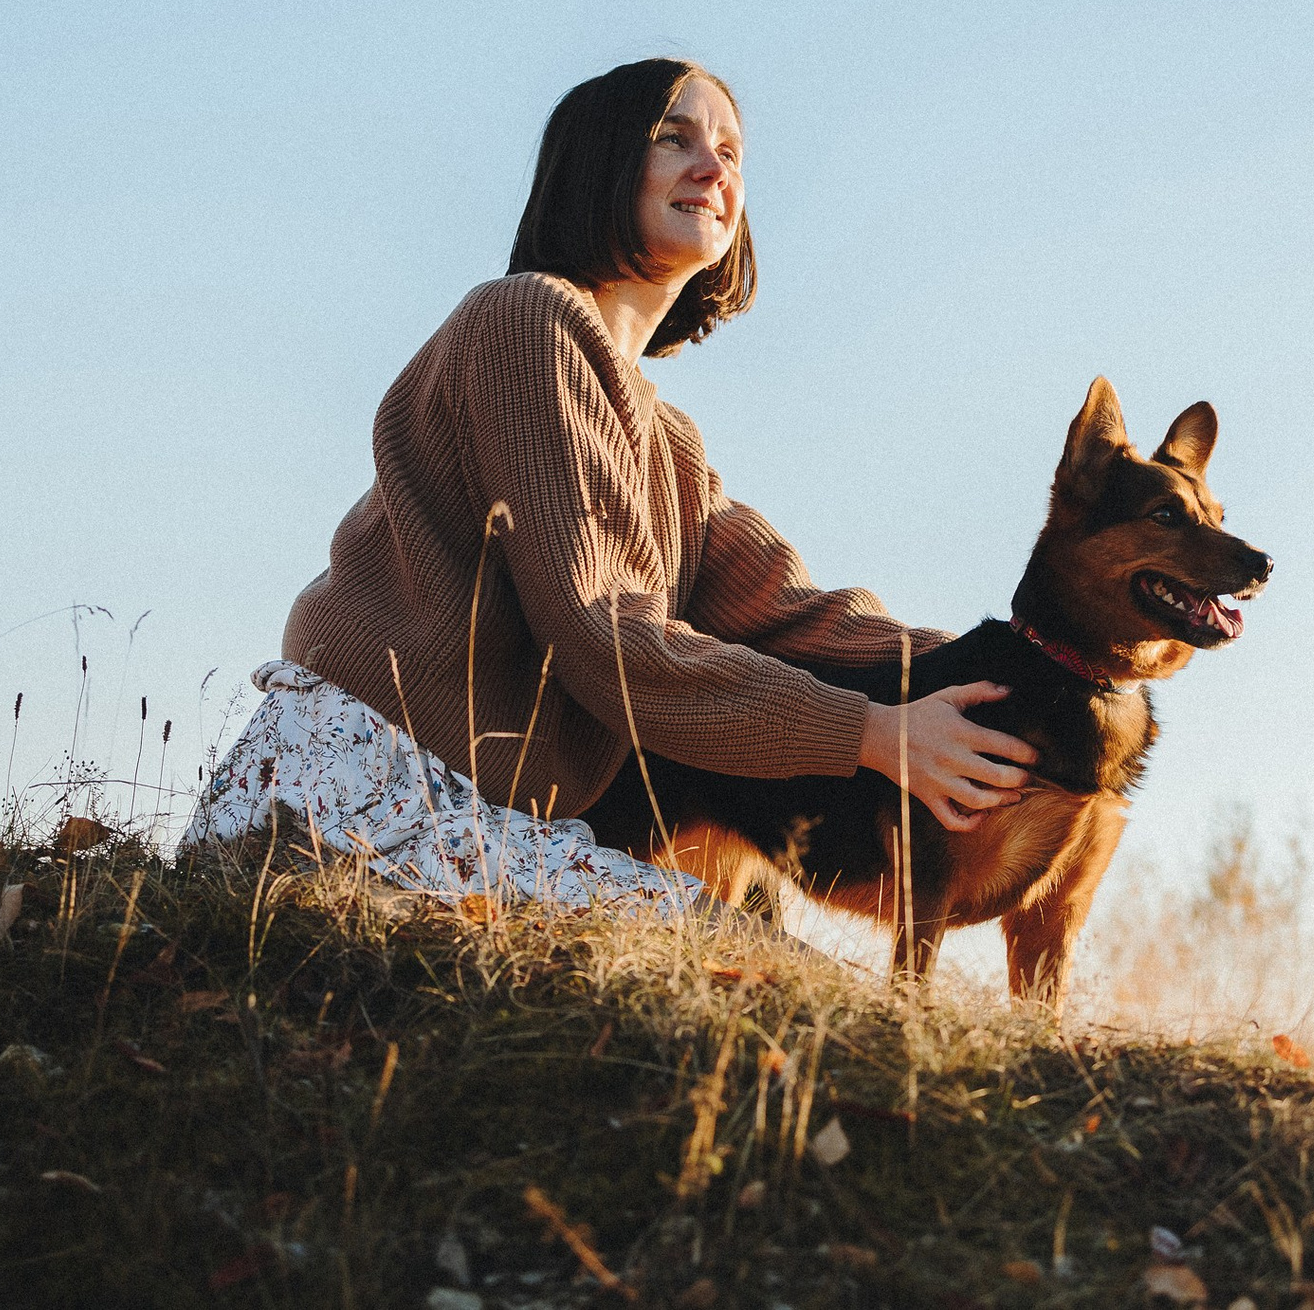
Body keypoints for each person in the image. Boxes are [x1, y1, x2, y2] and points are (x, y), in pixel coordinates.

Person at [183, 58, 1035, 914]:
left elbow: (789, 615)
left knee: (752, 949)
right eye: (675, 139)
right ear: (601, 163)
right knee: (730, 954)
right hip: (352, 787)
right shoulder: (526, 322)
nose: (715, 169)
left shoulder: (668, 445)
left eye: (732, 153)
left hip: (473, 810)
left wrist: (1035, 665)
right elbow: (605, 635)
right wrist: (874, 736)